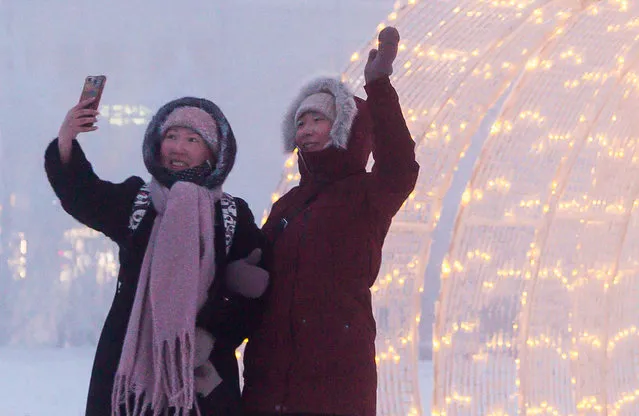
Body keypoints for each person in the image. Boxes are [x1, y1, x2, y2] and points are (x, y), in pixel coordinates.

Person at [44, 95, 268, 416]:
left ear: (214, 152)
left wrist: (210, 337)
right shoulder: (137, 202)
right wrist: (67, 137)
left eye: (193, 139)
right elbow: (82, 193)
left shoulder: (231, 215)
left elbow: (254, 296)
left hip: (201, 374)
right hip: (130, 372)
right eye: (171, 137)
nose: (178, 147)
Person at [241, 27, 419, 416]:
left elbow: (401, 165)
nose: (306, 130)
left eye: (318, 120)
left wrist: (380, 88)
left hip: (337, 373)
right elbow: (255, 274)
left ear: (344, 128)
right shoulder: (287, 204)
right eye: (301, 122)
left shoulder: (367, 193)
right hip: (269, 376)